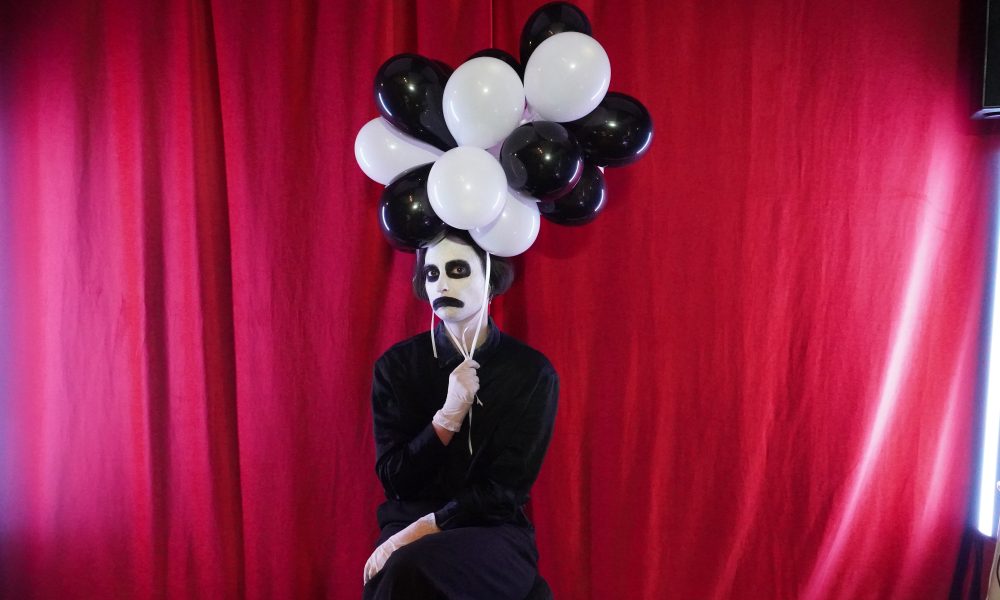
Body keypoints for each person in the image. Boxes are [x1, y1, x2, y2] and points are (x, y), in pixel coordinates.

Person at [362, 229, 559, 599]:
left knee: (408, 567)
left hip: (494, 531)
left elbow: (504, 491)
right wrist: (446, 418)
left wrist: (424, 529)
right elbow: (396, 479)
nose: (441, 284)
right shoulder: (397, 367)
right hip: (406, 517)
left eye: (457, 270)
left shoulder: (531, 373)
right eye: (431, 273)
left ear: (490, 279)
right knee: (398, 572)